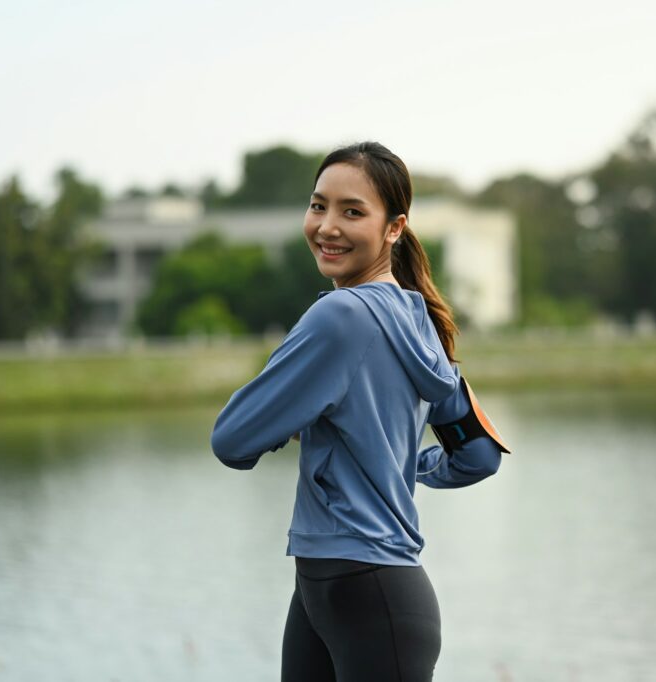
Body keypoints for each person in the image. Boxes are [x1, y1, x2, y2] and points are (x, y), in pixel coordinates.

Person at [210, 141, 511, 682]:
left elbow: (232, 438)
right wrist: (393, 463)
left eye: (352, 212)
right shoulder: (423, 324)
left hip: (364, 595)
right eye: (318, 205)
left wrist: (358, 448)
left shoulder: (339, 316)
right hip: (339, 593)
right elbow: (478, 454)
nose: (327, 226)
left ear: (394, 228)